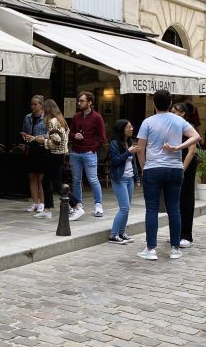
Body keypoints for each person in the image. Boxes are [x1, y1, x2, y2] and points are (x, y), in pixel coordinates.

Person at [135, 89, 201, 261]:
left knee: (151, 209)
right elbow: (196, 136)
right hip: (174, 168)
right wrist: (178, 148)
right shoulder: (179, 120)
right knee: (174, 208)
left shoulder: (147, 122)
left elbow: (140, 149)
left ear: (154, 104)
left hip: (153, 168)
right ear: (170, 103)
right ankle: (175, 248)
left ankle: (151, 249)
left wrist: (143, 168)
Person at [68, 91, 107, 221]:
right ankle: (78, 205)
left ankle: (98, 205)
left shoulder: (97, 117)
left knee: (93, 179)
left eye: (82, 101)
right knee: (76, 180)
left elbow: (102, 138)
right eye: (79, 101)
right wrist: (74, 136)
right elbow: (70, 133)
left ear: (90, 102)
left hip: (89, 153)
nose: (79, 103)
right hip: (75, 152)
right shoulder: (76, 117)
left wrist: (93, 150)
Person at [35, 98, 69, 220]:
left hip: (54, 154)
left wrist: (43, 141)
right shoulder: (61, 120)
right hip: (60, 155)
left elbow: (56, 141)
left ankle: (76, 205)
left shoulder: (52, 121)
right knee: (49, 182)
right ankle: (47, 209)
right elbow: (60, 138)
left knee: (55, 183)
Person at [172, 102, 200, 248]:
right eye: (172, 111)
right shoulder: (173, 126)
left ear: (183, 113)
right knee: (175, 199)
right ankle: (176, 233)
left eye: (175, 112)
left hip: (186, 165)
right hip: (174, 163)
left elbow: (191, 151)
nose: (173, 114)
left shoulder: (189, 127)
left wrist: (182, 169)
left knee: (186, 198)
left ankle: (186, 235)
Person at [108, 119, 138, 245]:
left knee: (127, 208)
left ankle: (121, 233)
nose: (131, 129)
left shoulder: (130, 142)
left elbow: (133, 163)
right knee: (124, 208)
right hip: (119, 179)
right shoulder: (114, 144)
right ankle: (113, 235)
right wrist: (128, 152)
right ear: (122, 130)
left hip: (130, 178)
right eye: (128, 127)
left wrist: (137, 178)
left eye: (131, 126)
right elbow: (115, 161)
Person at [21, 95, 47, 214]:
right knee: (32, 177)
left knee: (41, 178)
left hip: (42, 149)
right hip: (30, 148)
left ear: (41, 105)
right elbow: (25, 131)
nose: (33, 106)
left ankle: (42, 202)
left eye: (35, 104)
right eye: (32, 104)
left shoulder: (46, 118)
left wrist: (35, 138)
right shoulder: (27, 117)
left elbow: (48, 135)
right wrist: (25, 136)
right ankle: (34, 202)